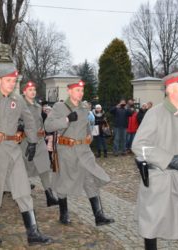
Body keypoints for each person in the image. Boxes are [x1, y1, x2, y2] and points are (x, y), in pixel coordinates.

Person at [0, 65, 52, 246]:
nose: (11, 84)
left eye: (14, 81)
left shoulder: (18, 100)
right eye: (8, 80)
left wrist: (31, 141)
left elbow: (30, 121)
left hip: (13, 151)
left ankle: (33, 233)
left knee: (23, 191)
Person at [132, 71, 178, 250]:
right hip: (160, 180)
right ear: (170, 90)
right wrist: (169, 160)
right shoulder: (155, 114)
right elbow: (139, 145)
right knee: (152, 226)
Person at [44, 80, 114, 227]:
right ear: (69, 91)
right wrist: (67, 119)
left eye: (82, 91)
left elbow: (87, 126)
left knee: (89, 179)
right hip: (66, 151)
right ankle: (63, 214)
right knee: (63, 181)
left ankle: (98, 215)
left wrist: (89, 135)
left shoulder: (84, 108)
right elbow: (48, 126)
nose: (80, 93)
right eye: (77, 90)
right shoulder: (59, 107)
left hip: (83, 151)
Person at [20, 81, 59, 207]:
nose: (33, 92)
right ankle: (22, 196)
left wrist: (43, 129)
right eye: (30, 89)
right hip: (26, 142)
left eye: (34, 90)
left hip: (40, 141)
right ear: (24, 92)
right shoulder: (20, 106)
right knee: (24, 170)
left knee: (44, 168)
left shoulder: (37, 106)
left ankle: (49, 195)